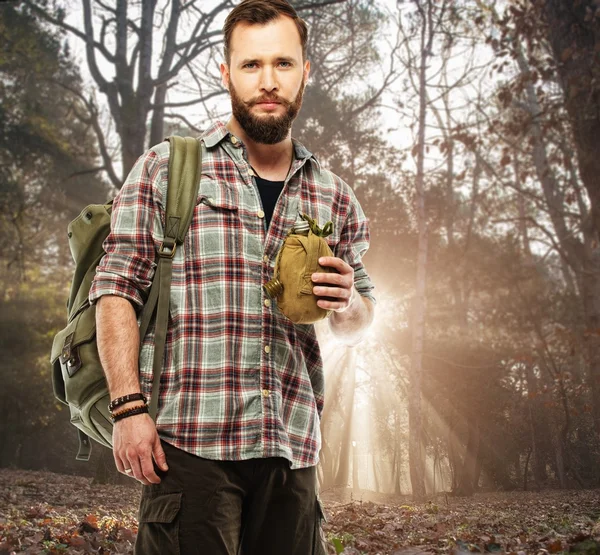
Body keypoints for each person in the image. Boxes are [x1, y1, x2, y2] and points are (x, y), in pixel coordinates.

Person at [89, 0, 376, 553]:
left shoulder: (333, 194)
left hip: (291, 450)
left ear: (305, 72)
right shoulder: (168, 168)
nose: (268, 81)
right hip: (188, 445)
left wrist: (349, 305)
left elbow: (359, 317)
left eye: (283, 64)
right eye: (250, 65)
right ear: (225, 73)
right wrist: (128, 409)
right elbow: (115, 288)